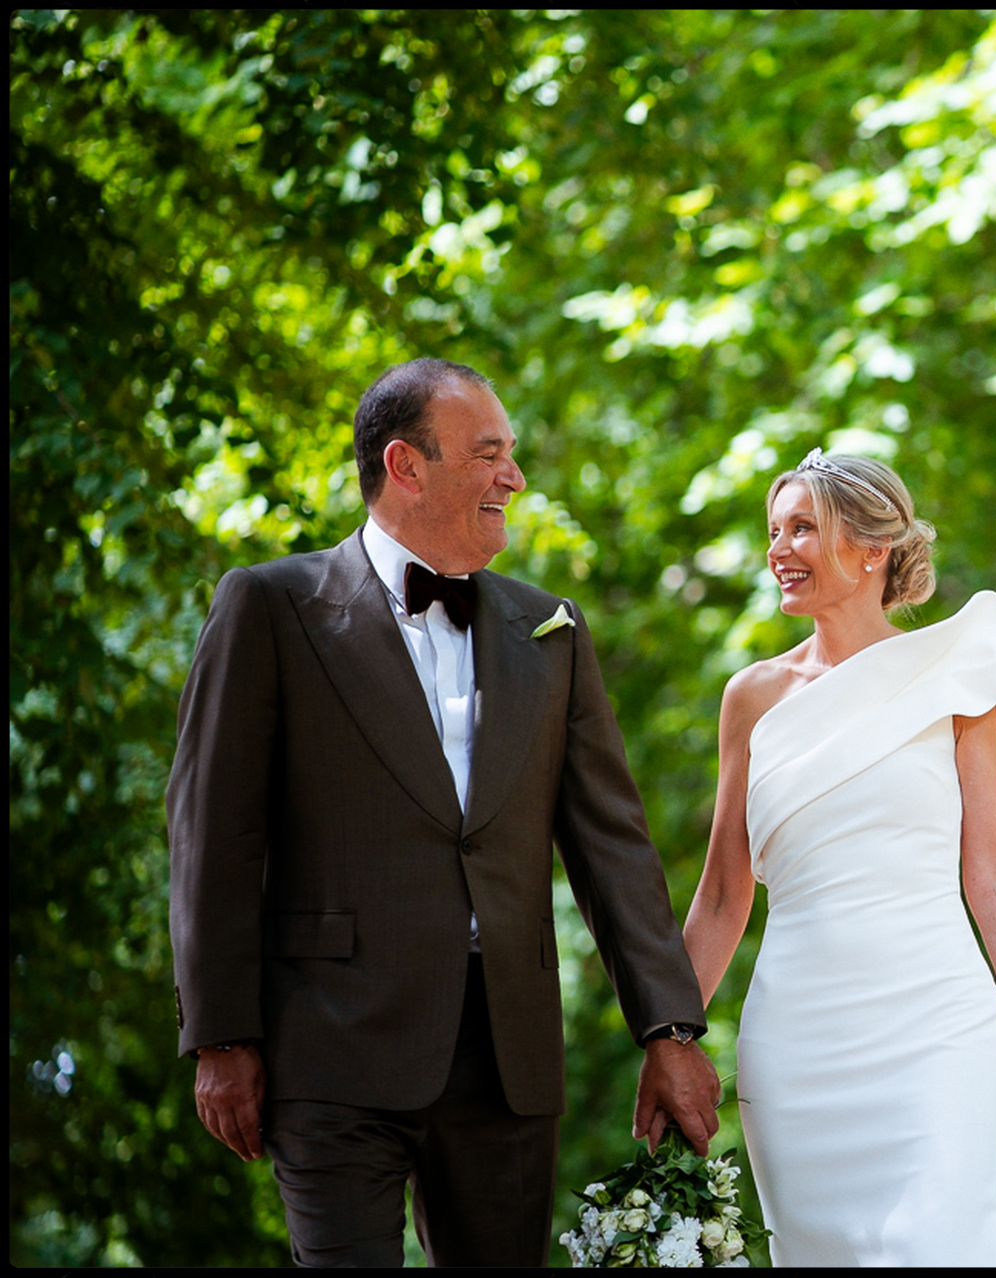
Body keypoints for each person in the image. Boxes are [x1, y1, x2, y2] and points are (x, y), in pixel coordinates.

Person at [167, 359, 721, 1267]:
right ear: (406, 466)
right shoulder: (270, 606)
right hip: (331, 1045)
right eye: (489, 454)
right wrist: (221, 1035)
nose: (515, 477)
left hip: (507, 1055)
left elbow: (610, 848)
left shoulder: (552, 632)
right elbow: (212, 836)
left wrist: (669, 1029)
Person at [679, 449, 996, 1265]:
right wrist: (669, 1042)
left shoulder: (953, 674)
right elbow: (724, 896)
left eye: (803, 528)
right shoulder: (751, 698)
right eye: (774, 531)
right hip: (794, 1043)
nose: (779, 550)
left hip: (935, 1023)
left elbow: (995, 873)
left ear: (872, 549)